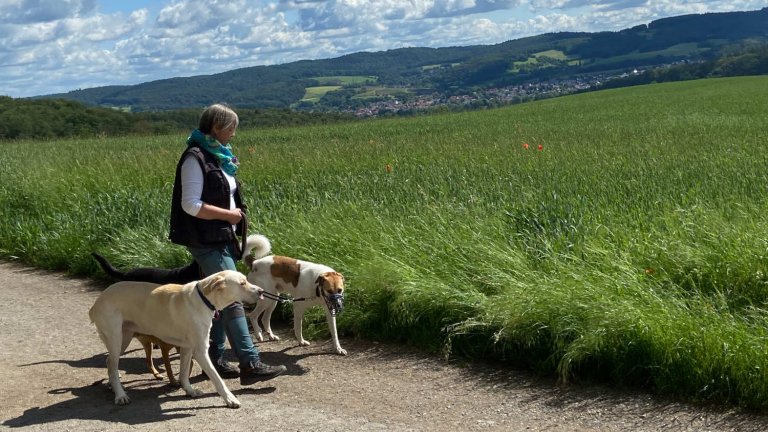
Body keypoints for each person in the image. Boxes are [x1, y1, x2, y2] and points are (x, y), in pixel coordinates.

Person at [168, 103, 286, 385]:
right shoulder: (195, 158)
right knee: (234, 296)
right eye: (231, 126)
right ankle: (250, 362)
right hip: (205, 240)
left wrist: (234, 219)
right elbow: (191, 205)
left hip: (220, 237)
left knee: (215, 299)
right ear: (216, 127)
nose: (234, 132)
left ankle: (217, 359)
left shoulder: (218, 156)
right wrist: (230, 215)